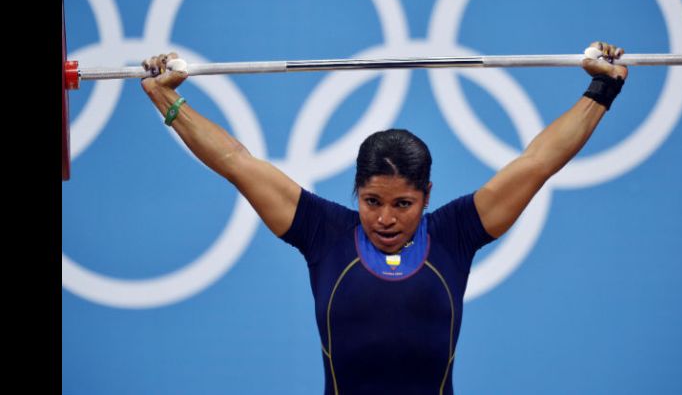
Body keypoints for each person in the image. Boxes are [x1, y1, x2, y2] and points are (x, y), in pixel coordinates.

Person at [140, 42, 627, 395]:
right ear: (356, 192)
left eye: (402, 205)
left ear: (426, 196)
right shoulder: (322, 233)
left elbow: (538, 162)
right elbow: (235, 161)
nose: (386, 219)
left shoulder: (455, 233)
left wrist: (601, 89)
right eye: (372, 201)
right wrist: (168, 98)